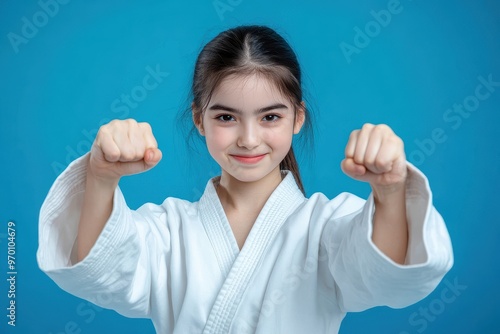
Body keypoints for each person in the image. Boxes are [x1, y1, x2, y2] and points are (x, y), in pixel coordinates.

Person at [37, 25, 453, 333]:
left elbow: (390, 280)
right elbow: (96, 273)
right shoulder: (168, 231)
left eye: (270, 116)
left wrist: (391, 190)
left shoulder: (326, 227)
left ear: (297, 118)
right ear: (200, 119)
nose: (249, 139)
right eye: (226, 117)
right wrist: (102, 176)